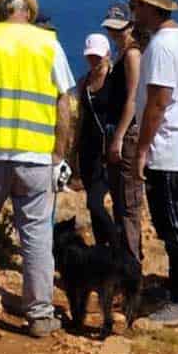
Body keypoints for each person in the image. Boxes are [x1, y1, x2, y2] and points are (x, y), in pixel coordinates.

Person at [0, 0, 75, 338]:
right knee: (37, 236)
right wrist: (59, 155)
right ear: (29, 13)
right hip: (36, 156)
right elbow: (63, 102)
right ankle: (39, 314)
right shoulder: (48, 43)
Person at [122, 0, 178, 327]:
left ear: (150, 7)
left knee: (173, 224)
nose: (131, 8)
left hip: (168, 149)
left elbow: (158, 101)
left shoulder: (162, 47)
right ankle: (176, 290)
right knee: (175, 222)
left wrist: (141, 150)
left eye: (136, 3)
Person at [98, 3, 144, 264]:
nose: (115, 33)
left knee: (128, 206)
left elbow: (133, 99)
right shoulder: (121, 53)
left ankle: (132, 266)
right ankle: (125, 263)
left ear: (130, 25)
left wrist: (118, 138)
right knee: (119, 203)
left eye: (119, 28)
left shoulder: (132, 55)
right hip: (117, 132)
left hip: (125, 137)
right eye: (111, 29)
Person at [76, 31, 128, 257]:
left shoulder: (115, 79)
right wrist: (72, 153)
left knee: (96, 203)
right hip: (88, 150)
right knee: (94, 205)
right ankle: (101, 249)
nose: (94, 61)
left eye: (98, 56)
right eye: (90, 56)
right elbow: (80, 118)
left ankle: (117, 246)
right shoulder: (83, 83)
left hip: (110, 150)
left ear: (107, 54)